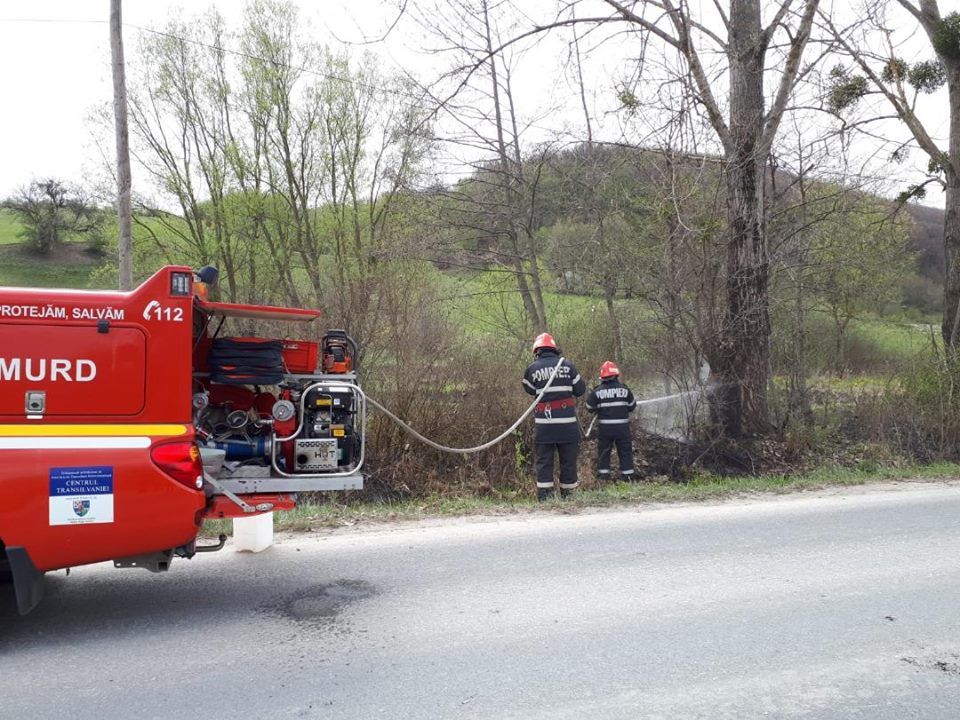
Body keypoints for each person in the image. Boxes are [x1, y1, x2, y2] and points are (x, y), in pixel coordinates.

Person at [522, 333, 586, 501]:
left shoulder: (532, 368)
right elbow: (580, 390)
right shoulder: (568, 365)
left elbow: (529, 389)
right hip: (567, 426)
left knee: (544, 462)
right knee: (568, 462)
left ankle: (545, 498)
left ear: (537, 351)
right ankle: (569, 496)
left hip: (545, 426)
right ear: (554, 349)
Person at [586, 361, 637, 481]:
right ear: (616, 375)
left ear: (602, 377)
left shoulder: (597, 391)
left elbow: (589, 407)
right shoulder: (625, 389)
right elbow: (632, 406)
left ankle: (603, 478)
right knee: (625, 452)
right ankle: (628, 477)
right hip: (622, 429)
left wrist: (599, 407)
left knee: (604, 452)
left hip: (605, 429)